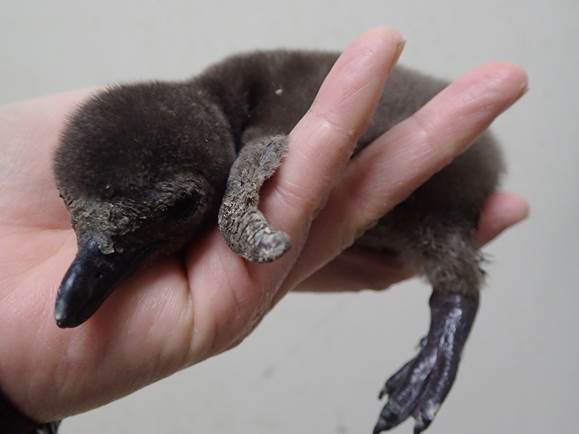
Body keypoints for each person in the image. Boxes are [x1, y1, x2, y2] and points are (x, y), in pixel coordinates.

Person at [0, 27, 528, 430]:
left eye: (178, 206)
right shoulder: (206, 112)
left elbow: (266, 155)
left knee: (432, 226)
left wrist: (240, 207)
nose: (84, 276)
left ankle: (454, 309)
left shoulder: (254, 117)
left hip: (447, 181)